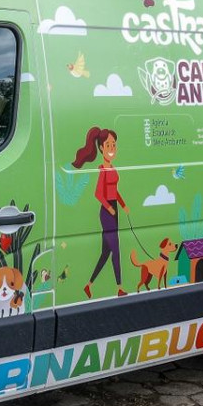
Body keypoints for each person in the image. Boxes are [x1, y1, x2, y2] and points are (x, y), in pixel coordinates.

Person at [72, 126, 128, 298]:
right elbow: (98, 193)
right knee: (116, 250)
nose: (112, 148)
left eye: (114, 145)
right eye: (109, 145)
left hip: (114, 208)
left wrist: (122, 204)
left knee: (105, 253)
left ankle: (88, 285)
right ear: (101, 148)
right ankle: (120, 288)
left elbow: (114, 190)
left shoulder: (112, 168)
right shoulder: (103, 170)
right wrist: (110, 207)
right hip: (106, 211)